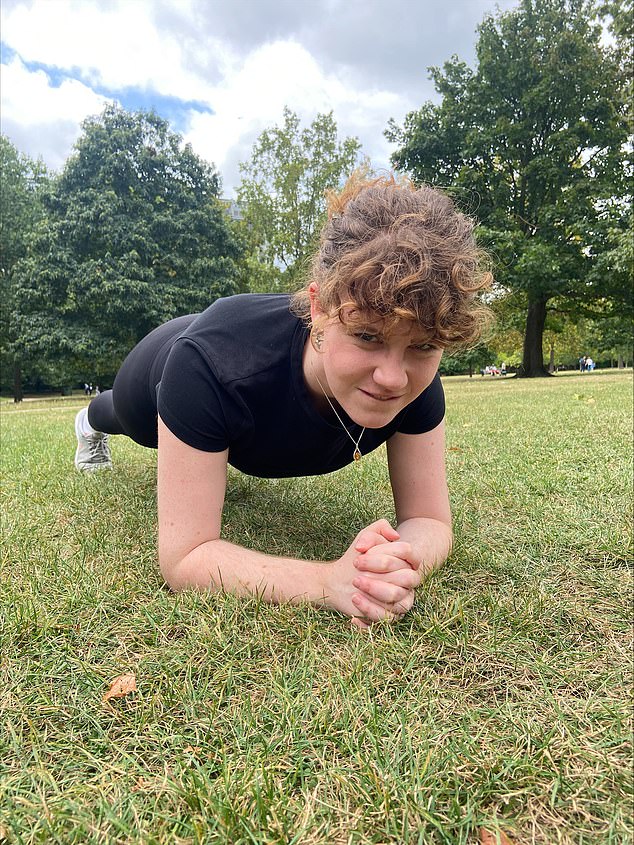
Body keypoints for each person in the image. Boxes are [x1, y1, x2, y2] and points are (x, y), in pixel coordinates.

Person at [73, 174, 491, 627]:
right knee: (124, 417)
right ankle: (89, 422)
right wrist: (331, 582)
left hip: (237, 346)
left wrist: (393, 567)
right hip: (172, 354)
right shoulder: (209, 366)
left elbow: (430, 520)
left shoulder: (416, 380)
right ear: (318, 309)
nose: (393, 377)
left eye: (424, 346)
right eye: (367, 335)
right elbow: (185, 558)